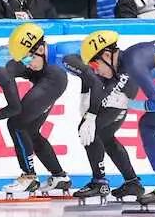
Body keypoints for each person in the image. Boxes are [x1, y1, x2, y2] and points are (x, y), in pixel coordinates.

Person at [0, 27, 73, 196]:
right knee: (30, 131)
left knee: (16, 124)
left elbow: (15, 108)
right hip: (46, 78)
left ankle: (29, 178)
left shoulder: (0, 69)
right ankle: (59, 177)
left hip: (51, 79)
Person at [63, 31, 147, 203]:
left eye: (97, 64)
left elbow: (103, 92)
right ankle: (132, 182)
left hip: (121, 95)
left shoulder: (126, 68)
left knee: (88, 130)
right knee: (106, 137)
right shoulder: (108, 61)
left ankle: (99, 182)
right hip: (118, 94)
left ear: (107, 55)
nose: (97, 70)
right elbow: (89, 76)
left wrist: (91, 115)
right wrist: (85, 95)